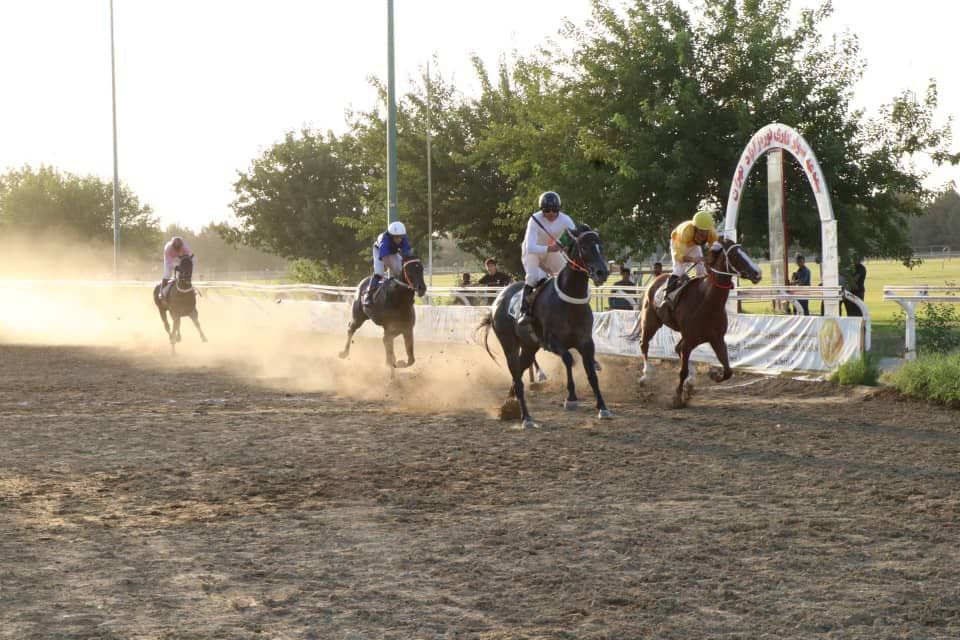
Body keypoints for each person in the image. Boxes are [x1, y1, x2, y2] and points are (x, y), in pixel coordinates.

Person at [518, 191, 577, 329]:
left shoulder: (566, 220)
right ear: (541, 210)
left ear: (559, 209)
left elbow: (574, 237)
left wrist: (565, 245)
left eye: (554, 210)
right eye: (547, 210)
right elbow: (530, 247)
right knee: (533, 277)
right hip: (532, 253)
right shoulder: (534, 220)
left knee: (566, 273)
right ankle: (524, 310)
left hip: (551, 252)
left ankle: (569, 307)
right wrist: (551, 248)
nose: (551, 213)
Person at [663, 210, 719, 304]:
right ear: (695, 228)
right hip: (678, 242)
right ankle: (667, 297)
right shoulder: (685, 232)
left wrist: (709, 260)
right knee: (679, 270)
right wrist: (694, 259)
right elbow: (678, 256)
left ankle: (703, 295)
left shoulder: (712, 233)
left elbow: (715, 250)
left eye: (706, 232)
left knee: (701, 270)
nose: (703, 236)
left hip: (694, 245)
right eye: (701, 232)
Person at [367, 220, 412, 305]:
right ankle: (369, 295)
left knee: (401, 269)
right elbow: (385, 259)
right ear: (391, 236)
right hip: (379, 250)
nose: (399, 239)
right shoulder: (384, 241)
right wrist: (393, 271)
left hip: (393, 251)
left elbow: (407, 254)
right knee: (379, 273)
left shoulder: (404, 238)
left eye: (401, 237)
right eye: (396, 237)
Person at [161, 236, 193, 300]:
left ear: (181, 245)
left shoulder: (185, 247)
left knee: (186, 270)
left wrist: (185, 267)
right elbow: (169, 262)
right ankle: (162, 292)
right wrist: (176, 267)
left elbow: (188, 257)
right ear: (173, 245)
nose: (178, 249)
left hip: (180, 258)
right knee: (167, 274)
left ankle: (189, 287)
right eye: (176, 248)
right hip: (169, 258)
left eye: (179, 247)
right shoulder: (168, 248)